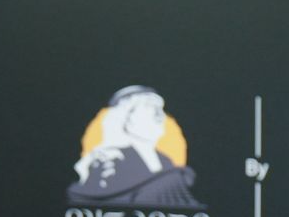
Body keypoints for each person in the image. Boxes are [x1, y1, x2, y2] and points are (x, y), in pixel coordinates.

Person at [68, 85, 204, 208]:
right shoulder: (110, 161)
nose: (160, 115)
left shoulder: (166, 161)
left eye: (160, 109)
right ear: (127, 119)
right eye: (150, 107)